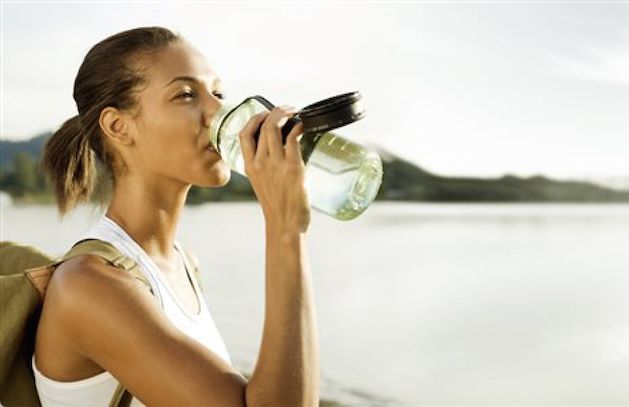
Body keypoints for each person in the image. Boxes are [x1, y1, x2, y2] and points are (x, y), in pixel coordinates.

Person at [35, 26, 319, 406]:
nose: (220, 112)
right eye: (186, 94)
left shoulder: (184, 264)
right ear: (119, 126)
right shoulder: (89, 286)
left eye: (218, 93)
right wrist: (286, 228)